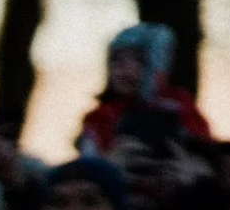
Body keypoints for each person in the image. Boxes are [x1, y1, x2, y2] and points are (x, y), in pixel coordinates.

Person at [76, 25, 210, 157]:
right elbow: (90, 160)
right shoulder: (100, 117)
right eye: (117, 61)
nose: (126, 71)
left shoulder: (178, 106)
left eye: (139, 61)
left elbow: (203, 147)